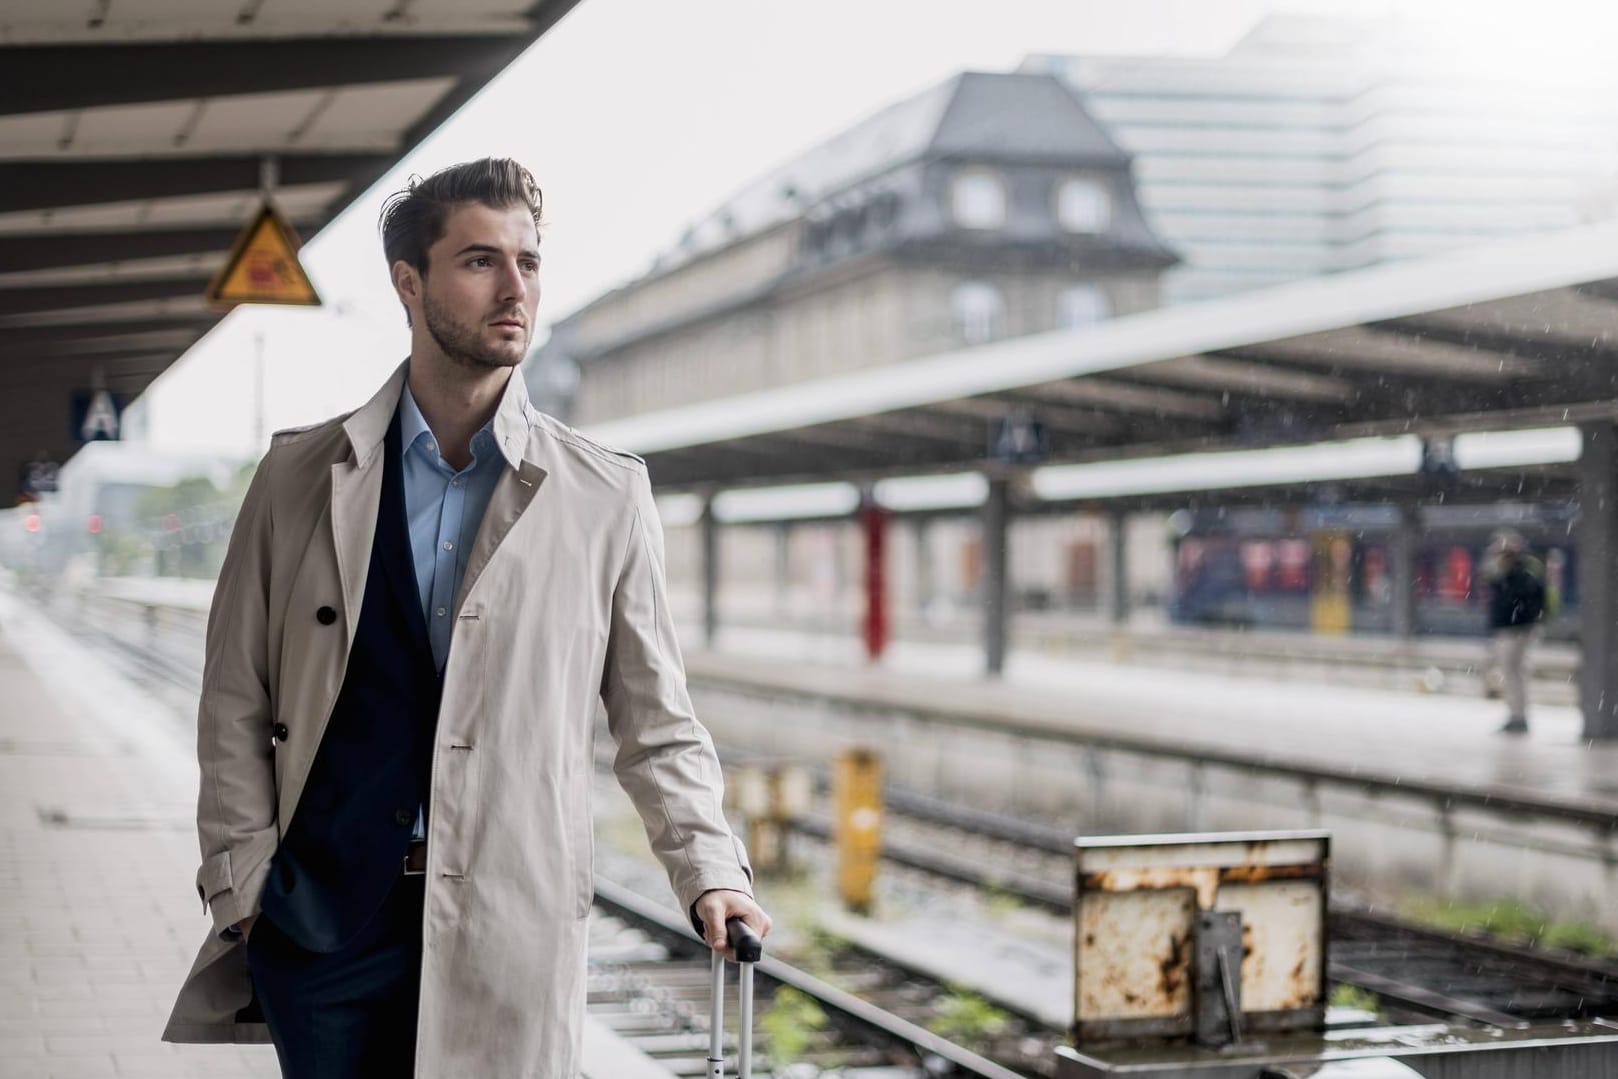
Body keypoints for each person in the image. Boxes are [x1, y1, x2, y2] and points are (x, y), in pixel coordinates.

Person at [163, 158, 769, 1076]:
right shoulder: (298, 478)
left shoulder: (605, 495)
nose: (515, 287)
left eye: (528, 261)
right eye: (480, 261)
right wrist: (246, 888)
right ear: (409, 282)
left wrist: (711, 870)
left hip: (506, 925)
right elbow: (233, 698)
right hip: (321, 927)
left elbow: (657, 723)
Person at [1485, 529, 1546, 735]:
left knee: (1513, 674)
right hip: (1512, 630)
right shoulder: (1511, 575)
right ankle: (1516, 715)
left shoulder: (1518, 576)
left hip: (1514, 632)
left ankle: (1518, 716)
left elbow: (1518, 603)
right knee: (1513, 674)